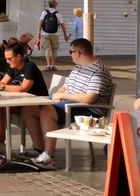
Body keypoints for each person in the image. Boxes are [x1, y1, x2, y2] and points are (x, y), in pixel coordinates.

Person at [36, 37, 113, 167]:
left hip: (89, 112)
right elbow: (66, 86)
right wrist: (58, 95)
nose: (70, 55)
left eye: (70, 52)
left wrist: (62, 95)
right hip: (70, 105)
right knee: (31, 108)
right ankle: (37, 149)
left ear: (78, 53)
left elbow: (90, 98)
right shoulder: (78, 68)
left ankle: (49, 155)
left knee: (46, 110)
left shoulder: (98, 71)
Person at [0, 42, 50, 157]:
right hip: (22, 103)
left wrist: (2, 87)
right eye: (6, 59)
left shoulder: (30, 67)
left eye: (10, 58)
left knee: (2, 107)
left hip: (37, 105)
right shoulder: (13, 68)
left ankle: (0, 139)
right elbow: (3, 82)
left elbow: (24, 88)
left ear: (18, 56)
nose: (7, 61)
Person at [37, 0, 69, 71]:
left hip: (45, 34)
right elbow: (63, 26)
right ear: (55, 5)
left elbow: (41, 23)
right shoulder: (58, 14)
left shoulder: (44, 13)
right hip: (55, 34)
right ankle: (53, 65)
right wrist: (65, 35)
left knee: (47, 49)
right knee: (54, 49)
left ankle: (48, 65)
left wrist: (38, 33)